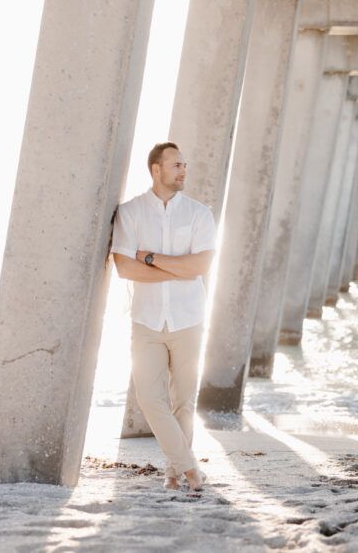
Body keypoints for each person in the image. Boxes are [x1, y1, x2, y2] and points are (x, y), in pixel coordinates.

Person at [111, 142, 216, 491]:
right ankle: (191, 470)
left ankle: (174, 473)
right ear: (156, 169)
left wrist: (152, 259)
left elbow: (201, 265)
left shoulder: (200, 214)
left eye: (184, 165)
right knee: (149, 399)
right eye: (176, 165)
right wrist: (178, 269)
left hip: (189, 319)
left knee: (184, 401)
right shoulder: (131, 212)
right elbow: (125, 267)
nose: (183, 171)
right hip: (147, 321)